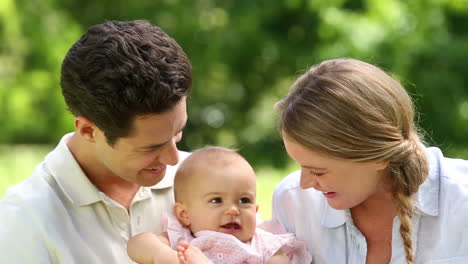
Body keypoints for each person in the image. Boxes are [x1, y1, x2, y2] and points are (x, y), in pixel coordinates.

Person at [0, 20, 192, 263]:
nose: (174, 158)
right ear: (89, 131)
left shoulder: (207, 182)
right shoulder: (26, 221)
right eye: (151, 147)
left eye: (177, 133)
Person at [272, 58, 468, 264]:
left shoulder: (460, 200)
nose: (305, 183)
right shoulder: (293, 203)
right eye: (300, 165)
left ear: (379, 156)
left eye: (318, 172)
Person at [127, 146, 311, 264]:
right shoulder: (181, 239)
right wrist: (164, 256)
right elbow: (138, 244)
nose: (233, 210)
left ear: (255, 211)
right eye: (216, 200)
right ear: (184, 214)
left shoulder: (264, 244)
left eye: (244, 201)